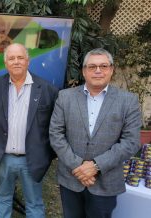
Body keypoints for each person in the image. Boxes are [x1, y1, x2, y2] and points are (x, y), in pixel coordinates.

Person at [49, 48, 142, 218]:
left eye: (103, 66)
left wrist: (95, 166)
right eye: (92, 66)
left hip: (106, 182)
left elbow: (131, 141)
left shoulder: (128, 101)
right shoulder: (65, 97)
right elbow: (56, 134)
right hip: (71, 178)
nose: (98, 71)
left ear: (111, 70)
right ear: (84, 71)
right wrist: (78, 166)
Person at [0, 43, 58, 218]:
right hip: (4, 158)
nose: (16, 62)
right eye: (11, 58)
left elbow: (54, 127)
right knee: (3, 197)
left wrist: (47, 154)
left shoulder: (47, 89)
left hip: (32, 159)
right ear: (6, 63)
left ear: (28, 61)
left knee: (34, 203)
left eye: (20, 57)